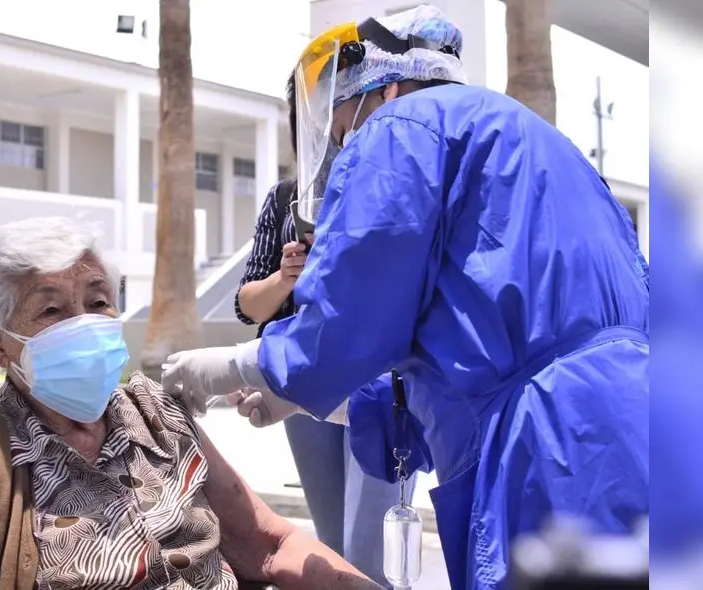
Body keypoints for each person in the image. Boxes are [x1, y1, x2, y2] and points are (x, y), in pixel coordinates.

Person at [161, 5, 649, 589]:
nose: (340, 142)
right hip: (638, 426)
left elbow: (352, 314)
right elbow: (464, 330)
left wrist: (238, 365)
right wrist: (337, 402)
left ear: (384, 88)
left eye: (339, 123)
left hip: (547, 453)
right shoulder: (536, 141)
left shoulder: (402, 127)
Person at [0, 217, 381, 590]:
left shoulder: (156, 412)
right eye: (52, 310)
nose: (85, 324)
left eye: (97, 301)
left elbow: (270, 544)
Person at [234, 72, 413, 583]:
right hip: (306, 382)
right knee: (331, 547)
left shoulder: (396, 187)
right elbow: (249, 305)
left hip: (378, 383)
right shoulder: (289, 198)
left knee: (367, 550)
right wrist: (286, 277)